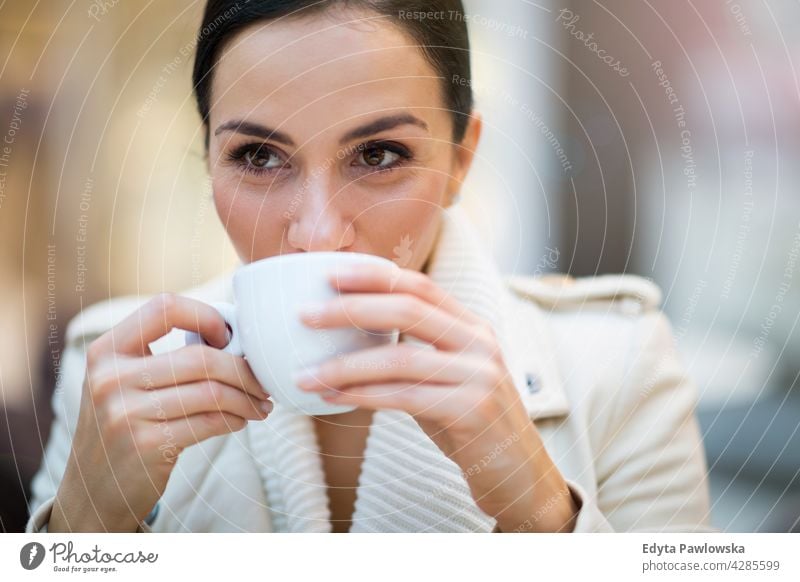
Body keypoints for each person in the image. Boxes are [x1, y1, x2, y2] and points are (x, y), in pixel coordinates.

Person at [27, 0, 713, 533]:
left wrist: (540, 512)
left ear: (461, 159)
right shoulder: (111, 371)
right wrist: (83, 530)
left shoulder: (620, 361)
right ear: (208, 162)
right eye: (258, 157)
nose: (320, 230)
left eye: (379, 154)